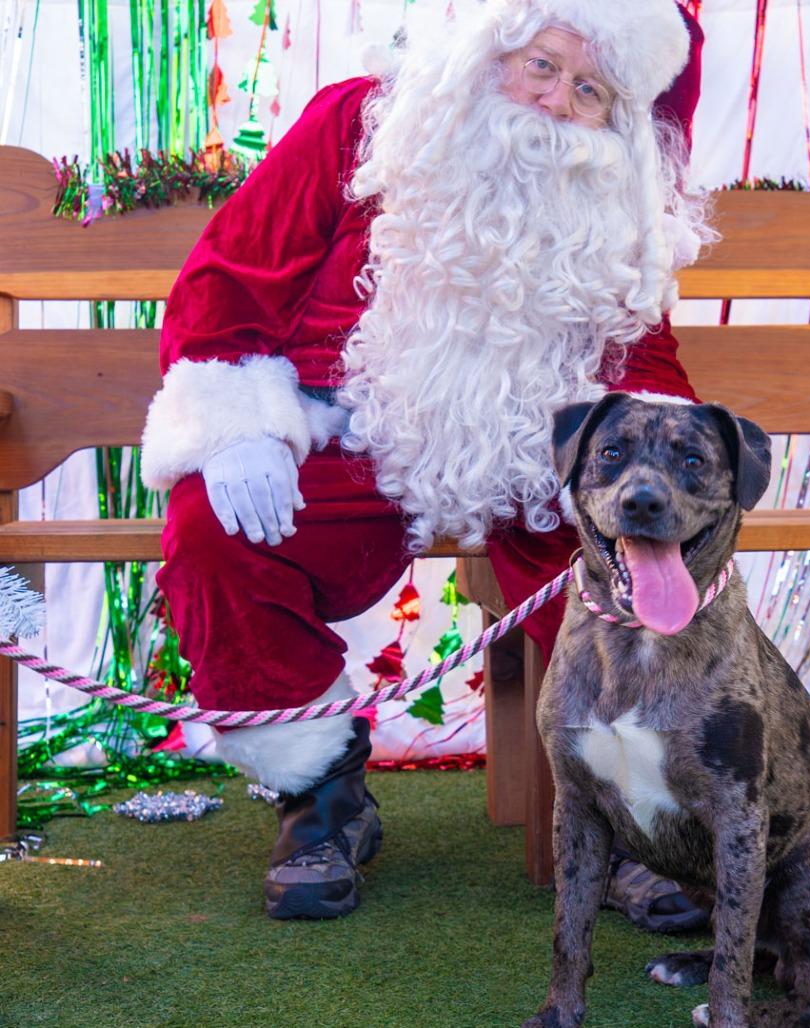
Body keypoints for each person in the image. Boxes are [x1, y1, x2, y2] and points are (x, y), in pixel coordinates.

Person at [140, 0, 712, 923]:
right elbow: (231, 275)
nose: (557, 102)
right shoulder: (361, 120)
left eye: (590, 90)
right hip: (353, 430)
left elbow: (638, 353)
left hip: (527, 448)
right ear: (494, 50)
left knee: (639, 567)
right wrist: (238, 421)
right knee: (217, 527)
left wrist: (667, 460)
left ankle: (636, 820)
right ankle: (321, 795)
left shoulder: (615, 194)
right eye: (542, 66)